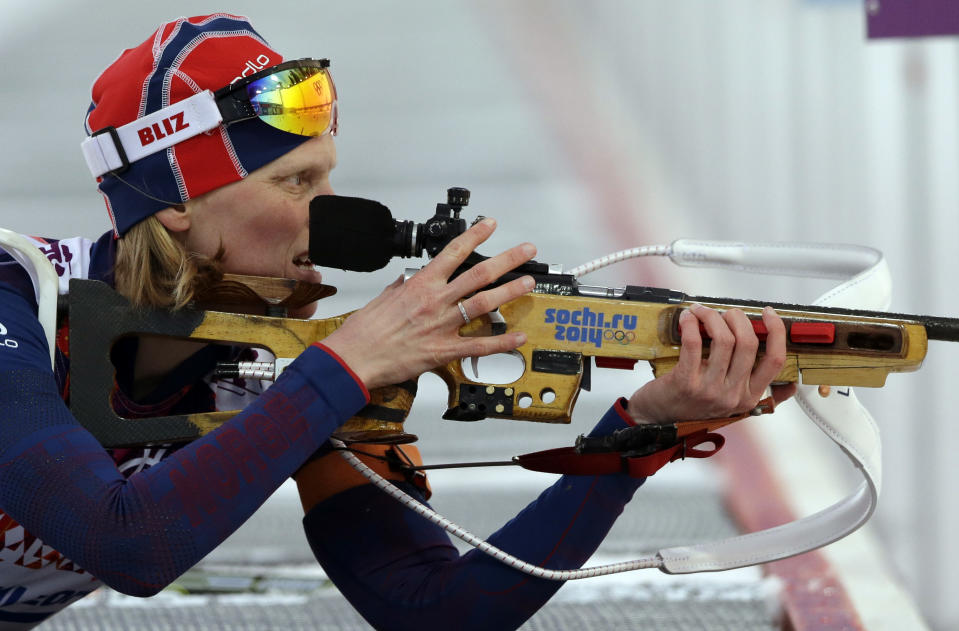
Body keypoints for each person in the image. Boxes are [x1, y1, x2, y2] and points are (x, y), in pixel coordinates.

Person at [0, 13, 796, 630]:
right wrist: (345, 367)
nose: (330, 212)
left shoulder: (283, 365)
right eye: (294, 180)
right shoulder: (14, 297)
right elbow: (126, 543)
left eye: (329, 177)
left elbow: (435, 607)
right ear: (176, 203)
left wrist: (639, 432)